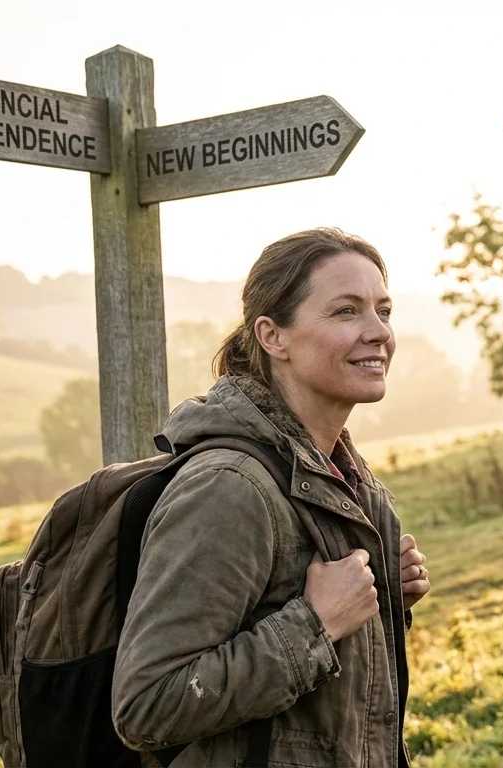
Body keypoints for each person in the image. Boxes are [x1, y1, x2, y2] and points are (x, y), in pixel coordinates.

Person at [111, 228, 430, 767]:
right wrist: (318, 623)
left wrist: (380, 601)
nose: (378, 332)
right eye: (346, 311)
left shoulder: (339, 472)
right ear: (272, 336)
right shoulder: (230, 486)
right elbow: (148, 705)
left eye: (384, 310)